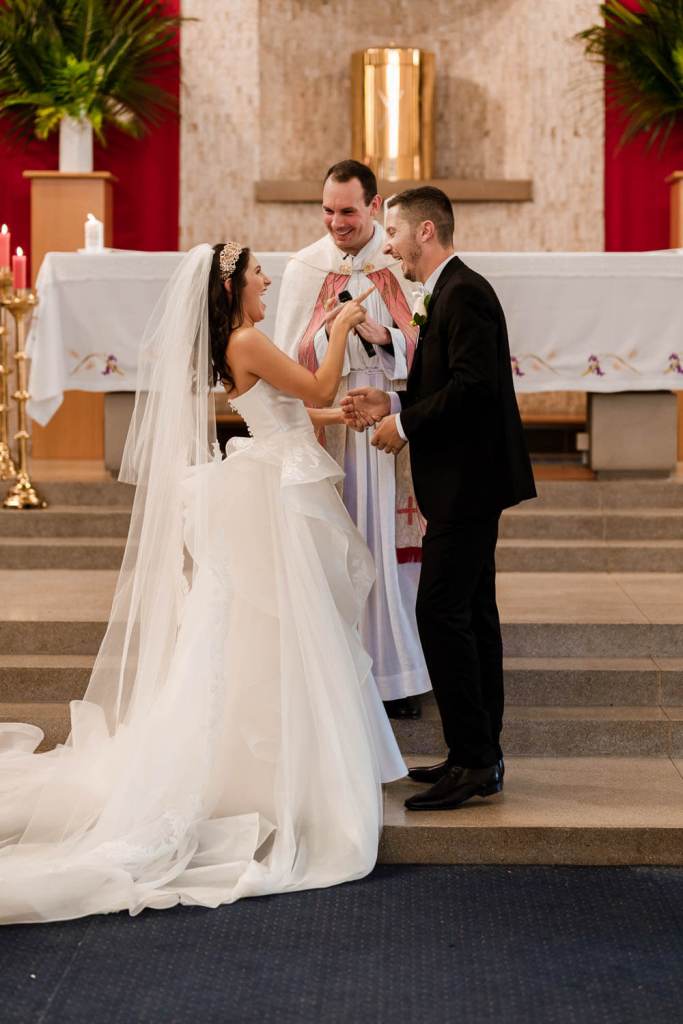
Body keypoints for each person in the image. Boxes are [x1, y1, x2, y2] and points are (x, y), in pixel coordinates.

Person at [0, 242, 405, 925]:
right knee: (272, 628)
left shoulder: (241, 343)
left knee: (262, 632)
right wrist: (337, 334)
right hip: (274, 497)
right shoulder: (248, 338)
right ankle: (272, 778)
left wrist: (338, 419)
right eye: (256, 274)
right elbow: (315, 388)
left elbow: (289, 410)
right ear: (231, 288)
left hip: (273, 478)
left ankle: (275, 768)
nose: (267, 279)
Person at [342, 187, 537, 811]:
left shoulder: (464, 291)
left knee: (441, 613)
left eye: (393, 231)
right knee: (473, 614)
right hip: (465, 479)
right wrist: (394, 403)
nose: (388, 242)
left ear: (425, 231)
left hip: (470, 481)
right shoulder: (446, 293)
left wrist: (405, 425)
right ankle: (475, 754)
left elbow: (475, 389)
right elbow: (449, 382)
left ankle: (476, 759)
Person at [275, 159, 431, 719]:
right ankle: (341, 671)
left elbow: (427, 349)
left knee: (389, 548)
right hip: (332, 417)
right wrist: (331, 331)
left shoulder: (401, 263)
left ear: (373, 206)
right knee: (341, 548)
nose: (336, 223)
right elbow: (286, 355)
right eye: (327, 211)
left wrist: (381, 335)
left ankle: (399, 676)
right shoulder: (305, 268)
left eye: (347, 211)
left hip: (388, 418)